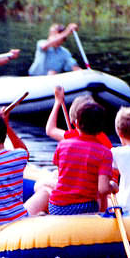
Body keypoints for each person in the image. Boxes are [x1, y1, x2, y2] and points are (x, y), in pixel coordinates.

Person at [24, 86, 113, 215]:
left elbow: (50, 130)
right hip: (90, 199)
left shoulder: (66, 142)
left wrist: (57, 102)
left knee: (41, 186)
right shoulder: (104, 148)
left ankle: (26, 217)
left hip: (62, 206)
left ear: (76, 122)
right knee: (53, 176)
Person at [46, 102, 116, 215]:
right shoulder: (105, 152)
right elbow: (103, 189)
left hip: (55, 206)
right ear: (101, 128)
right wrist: (112, 186)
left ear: (77, 123)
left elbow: (62, 174)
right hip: (85, 208)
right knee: (98, 196)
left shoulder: (62, 145)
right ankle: (103, 216)